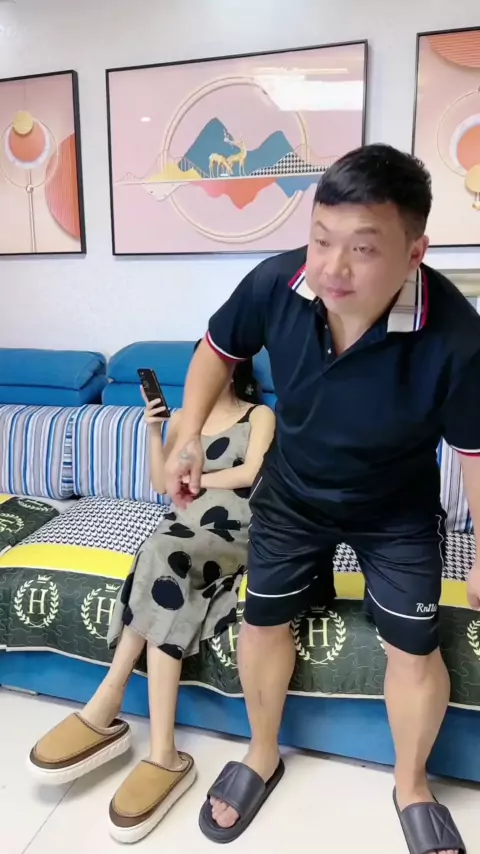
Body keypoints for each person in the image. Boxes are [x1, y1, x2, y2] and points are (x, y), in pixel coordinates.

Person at [164, 145, 479, 854]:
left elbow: (475, 454)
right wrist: (187, 437)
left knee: (414, 646)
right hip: (293, 493)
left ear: (415, 252)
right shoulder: (277, 283)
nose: (332, 268)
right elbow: (218, 349)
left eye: (362, 248)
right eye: (321, 240)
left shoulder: (457, 337)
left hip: (394, 509)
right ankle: (262, 755)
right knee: (262, 621)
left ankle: (412, 786)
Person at [28, 343, 275, 845]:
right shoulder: (184, 418)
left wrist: (195, 478)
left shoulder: (259, 415)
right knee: (162, 562)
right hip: (181, 529)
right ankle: (163, 754)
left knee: (158, 552)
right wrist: (154, 428)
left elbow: (251, 474)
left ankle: (108, 700)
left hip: (234, 528)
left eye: (214, 366)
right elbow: (162, 484)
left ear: (235, 370)